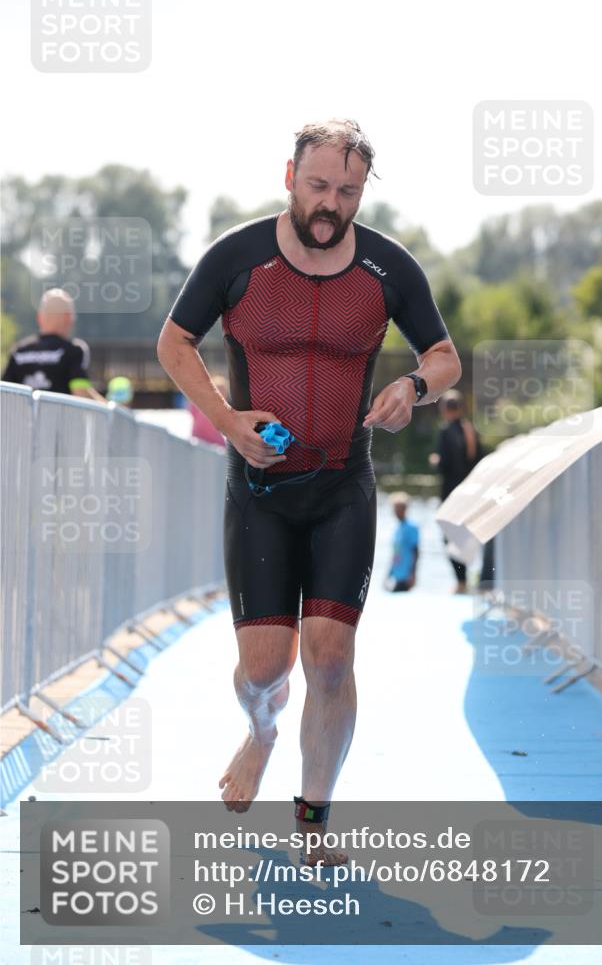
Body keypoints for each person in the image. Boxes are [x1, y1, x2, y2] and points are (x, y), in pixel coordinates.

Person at [157, 118, 462, 864]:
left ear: (363, 193)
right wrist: (226, 421)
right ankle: (261, 733)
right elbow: (174, 342)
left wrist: (415, 387)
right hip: (258, 491)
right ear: (288, 175)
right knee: (265, 670)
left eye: (348, 192)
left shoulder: (389, 270)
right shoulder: (237, 258)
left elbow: (444, 357)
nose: (331, 203)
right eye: (319, 186)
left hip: (342, 489)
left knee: (329, 658)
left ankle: (314, 824)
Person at [2, 288, 106, 402]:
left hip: (22, 419)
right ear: (69, 317)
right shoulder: (74, 350)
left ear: (40, 317)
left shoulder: (19, 351)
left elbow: (5, 394)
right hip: (62, 420)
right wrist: (111, 408)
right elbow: (81, 392)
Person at [429, 389, 480, 593]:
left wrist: (435, 461)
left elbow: (445, 464)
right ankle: (469, 578)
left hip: (451, 494)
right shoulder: (471, 431)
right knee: (465, 535)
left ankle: (461, 581)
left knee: (448, 537)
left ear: (445, 410)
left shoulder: (446, 431)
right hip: (470, 494)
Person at [384, 492, 419, 592]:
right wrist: (389, 574)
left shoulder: (412, 527)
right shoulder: (397, 529)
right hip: (396, 574)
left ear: (404, 509)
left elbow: (416, 552)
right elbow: (395, 553)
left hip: (406, 575)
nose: (394, 511)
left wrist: (413, 574)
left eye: (397, 508)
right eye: (394, 508)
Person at [188, 374, 227, 447]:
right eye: (220, 390)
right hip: (207, 441)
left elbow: (192, 412)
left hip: (198, 438)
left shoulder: (199, 402)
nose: (223, 394)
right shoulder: (218, 407)